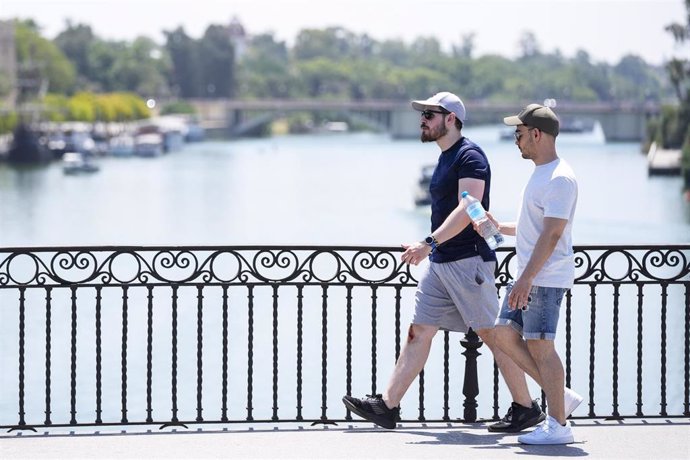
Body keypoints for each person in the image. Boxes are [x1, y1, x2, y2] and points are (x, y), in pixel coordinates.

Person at [342, 92, 544, 433]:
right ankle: (388, 406)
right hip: (441, 262)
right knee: (419, 330)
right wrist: (429, 246)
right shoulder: (445, 157)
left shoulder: (470, 157)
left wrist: (427, 242)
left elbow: (469, 209)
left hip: (468, 263)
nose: (422, 119)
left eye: (430, 114)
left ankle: (526, 407)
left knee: (494, 336)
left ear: (451, 119)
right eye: (422, 115)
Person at [485, 103, 583, 444]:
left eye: (519, 133)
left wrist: (526, 279)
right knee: (503, 336)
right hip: (528, 275)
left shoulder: (560, 178)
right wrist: (499, 226)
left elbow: (553, 233)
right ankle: (561, 397)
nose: (516, 140)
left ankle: (559, 426)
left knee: (542, 346)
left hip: (542, 277)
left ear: (537, 134)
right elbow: (534, 227)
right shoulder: (541, 173)